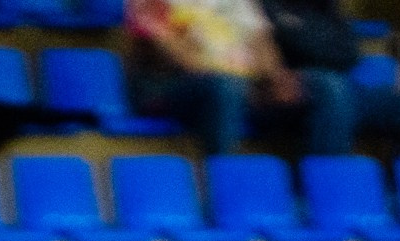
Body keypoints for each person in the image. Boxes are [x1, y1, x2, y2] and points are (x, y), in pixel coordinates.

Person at [125, 0, 314, 157]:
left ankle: (326, 189)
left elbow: (261, 40)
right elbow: (180, 58)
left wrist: (274, 77)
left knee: (324, 87)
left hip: (240, 82)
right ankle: (225, 182)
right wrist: (241, 77)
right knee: (226, 87)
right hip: (171, 85)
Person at [263, 0, 400, 157]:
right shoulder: (271, 6)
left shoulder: (326, 5)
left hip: (340, 83)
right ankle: (330, 180)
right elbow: (290, 43)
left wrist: (303, 37)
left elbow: (350, 52)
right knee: (332, 89)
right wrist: (319, 42)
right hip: (286, 88)